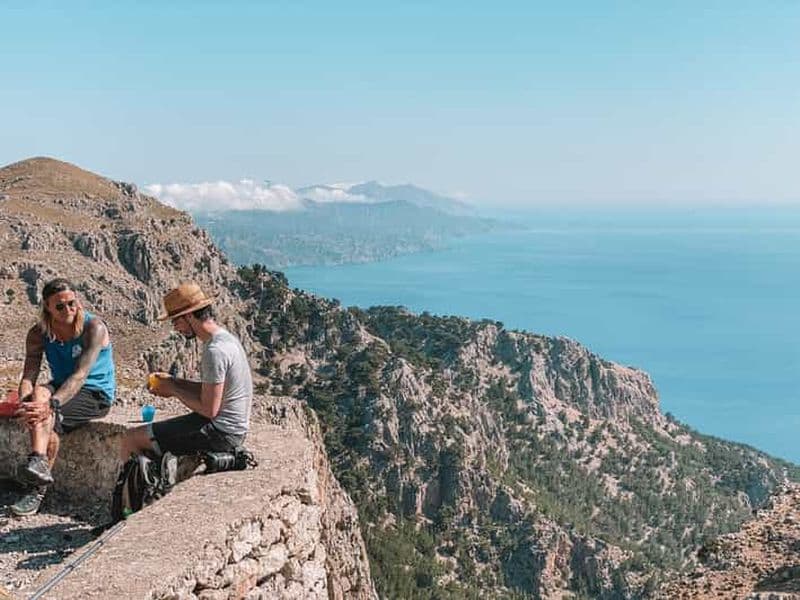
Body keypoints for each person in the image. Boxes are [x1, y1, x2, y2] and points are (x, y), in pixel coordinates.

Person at [12, 278, 116, 516]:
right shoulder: (39, 334)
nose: (68, 310)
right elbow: (29, 375)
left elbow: (80, 375)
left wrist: (52, 404)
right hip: (60, 386)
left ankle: (36, 491)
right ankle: (38, 461)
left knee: (49, 418)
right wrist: (26, 402)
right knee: (38, 394)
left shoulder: (94, 328)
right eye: (60, 306)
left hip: (94, 392)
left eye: (72, 303)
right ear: (47, 308)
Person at [120, 282, 253, 461]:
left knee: (131, 438)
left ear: (189, 316)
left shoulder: (215, 351)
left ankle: (131, 489)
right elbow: (212, 391)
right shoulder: (226, 339)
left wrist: (173, 390)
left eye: (176, 321)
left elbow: (209, 409)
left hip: (221, 433)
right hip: (233, 429)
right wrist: (175, 382)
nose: (175, 328)